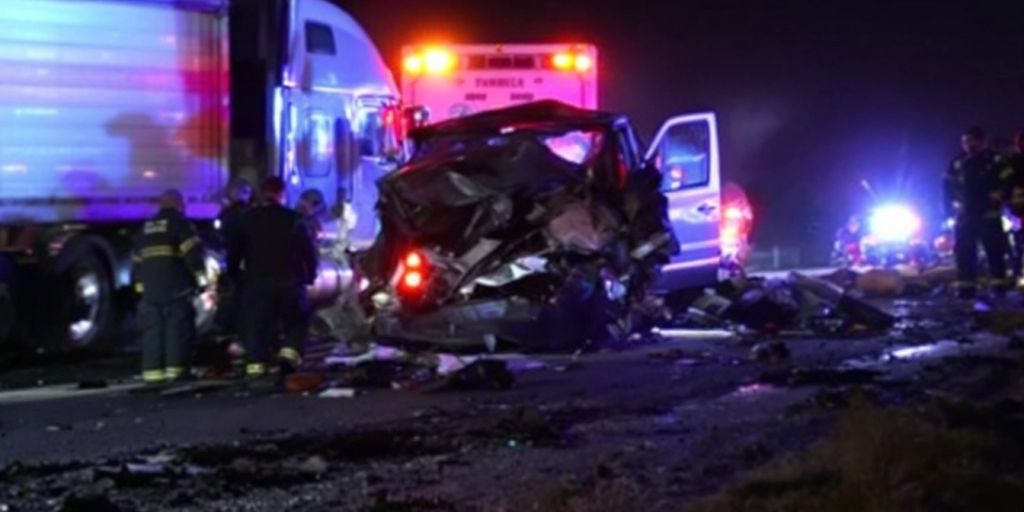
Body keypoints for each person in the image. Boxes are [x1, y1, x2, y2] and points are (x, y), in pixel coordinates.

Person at [228, 177, 318, 382]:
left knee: (257, 325)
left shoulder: (247, 219)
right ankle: (288, 358)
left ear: (261, 193)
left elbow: (234, 252)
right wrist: (310, 275)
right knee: (296, 322)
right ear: (282, 194)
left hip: (257, 283)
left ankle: (256, 368)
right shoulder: (294, 219)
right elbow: (308, 251)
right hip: (290, 282)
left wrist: (234, 276)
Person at [131, 189, 206, 384]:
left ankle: (153, 375)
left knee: (153, 331)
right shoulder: (181, 224)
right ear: (180, 205)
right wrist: (202, 281)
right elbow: (193, 256)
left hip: (150, 292)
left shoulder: (145, 227)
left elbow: (137, 261)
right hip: (176, 289)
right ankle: (177, 373)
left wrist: (140, 288)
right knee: (177, 330)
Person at [943, 126, 1014, 298]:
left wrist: (1001, 194)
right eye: (964, 141)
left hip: (988, 213)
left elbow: (1009, 179)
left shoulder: (995, 160)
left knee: (995, 251)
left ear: (981, 141)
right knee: (964, 252)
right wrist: (949, 209)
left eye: (971, 141)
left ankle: (999, 288)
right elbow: (947, 187)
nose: (967, 145)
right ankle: (966, 289)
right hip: (965, 215)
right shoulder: (958, 162)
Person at [211, 179, 253, 343]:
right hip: (248, 264)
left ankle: (228, 328)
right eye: (246, 192)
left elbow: (219, 236)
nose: (248, 196)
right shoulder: (250, 213)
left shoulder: (226, 214)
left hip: (233, 262)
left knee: (233, 295)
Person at [1007, 130, 1024, 280]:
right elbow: (1007, 186)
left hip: (1017, 210)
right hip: (1018, 211)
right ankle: (1018, 274)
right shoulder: (1012, 161)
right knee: (1018, 245)